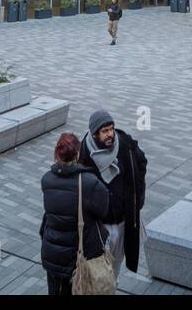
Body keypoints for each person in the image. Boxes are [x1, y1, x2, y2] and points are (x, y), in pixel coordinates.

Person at [40, 131, 111, 295]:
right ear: (78, 153)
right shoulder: (89, 183)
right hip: (79, 256)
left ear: (57, 153)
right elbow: (103, 211)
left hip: (52, 253)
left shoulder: (46, 180)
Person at [79, 111, 148, 280]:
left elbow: (142, 163)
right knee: (101, 270)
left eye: (111, 129)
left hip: (124, 221)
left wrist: (137, 197)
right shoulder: (85, 154)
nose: (110, 134)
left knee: (116, 266)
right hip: (101, 226)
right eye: (105, 131)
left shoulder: (125, 144)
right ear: (95, 134)